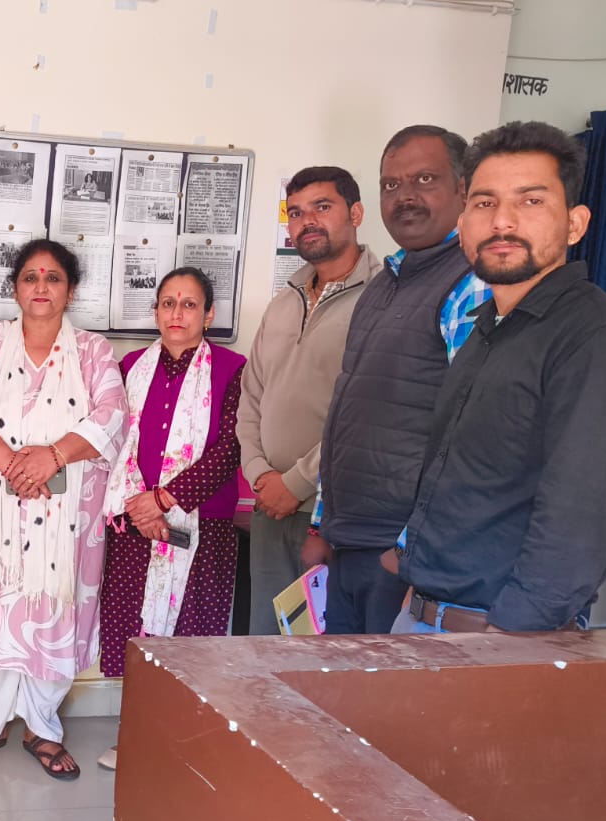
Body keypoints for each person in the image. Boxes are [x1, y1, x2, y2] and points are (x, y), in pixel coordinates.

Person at [390, 121, 606, 633]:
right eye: (485, 203)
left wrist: (511, 637)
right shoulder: (486, 330)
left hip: (499, 639)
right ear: (464, 223)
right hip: (427, 619)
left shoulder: (603, 338)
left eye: (531, 201)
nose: (502, 221)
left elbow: (579, 517)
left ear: (575, 224)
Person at [0, 239, 127, 780]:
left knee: (54, 607)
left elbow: (113, 414)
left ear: (70, 290)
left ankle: (43, 727)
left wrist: (53, 457)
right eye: (30, 277)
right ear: (15, 288)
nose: (41, 287)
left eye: (53, 278)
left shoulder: (92, 350)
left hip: (67, 509)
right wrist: (11, 463)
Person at [310, 126, 488, 634]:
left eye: (424, 179)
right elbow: (346, 409)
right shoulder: (384, 284)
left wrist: (415, 554)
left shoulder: (471, 283)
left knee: (384, 686)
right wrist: (322, 522)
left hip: (402, 554)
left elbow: (471, 434)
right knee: (337, 681)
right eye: (391, 184)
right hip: (353, 542)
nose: (405, 196)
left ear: (463, 188)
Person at [96, 267, 246, 771]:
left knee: (192, 635)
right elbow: (116, 442)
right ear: (156, 311)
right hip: (134, 524)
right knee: (134, 630)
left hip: (203, 527)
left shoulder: (233, 369)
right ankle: (136, 736)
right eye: (167, 303)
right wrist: (141, 508)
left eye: (189, 304)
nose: (177, 313)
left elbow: (230, 448)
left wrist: (165, 499)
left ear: (209, 314)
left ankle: (185, 742)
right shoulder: (131, 366)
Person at [235, 166, 382, 634]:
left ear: (355, 213)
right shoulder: (285, 301)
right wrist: (260, 475)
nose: (306, 221)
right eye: (295, 213)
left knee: (323, 649)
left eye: (322, 207)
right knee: (266, 641)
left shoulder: (383, 298)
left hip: (334, 516)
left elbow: (367, 414)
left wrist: (297, 484)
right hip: (269, 509)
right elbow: (251, 396)